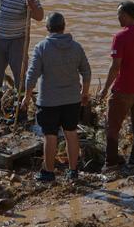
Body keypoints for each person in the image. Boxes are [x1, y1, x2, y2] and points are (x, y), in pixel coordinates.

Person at [21, 12, 92, 183]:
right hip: (72, 100)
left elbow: (31, 77)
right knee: (71, 133)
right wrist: (84, 94)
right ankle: (73, 171)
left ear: (47, 28)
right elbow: (87, 72)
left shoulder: (41, 47)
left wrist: (26, 97)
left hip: (49, 101)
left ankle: (49, 173)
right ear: (64, 27)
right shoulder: (76, 47)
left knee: (50, 136)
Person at [97, 1, 134, 168]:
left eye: (119, 14)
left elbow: (115, 66)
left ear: (126, 15)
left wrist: (104, 89)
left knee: (112, 127)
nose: (117, 18)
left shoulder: (120, 37)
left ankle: (111, 164)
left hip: (124, 89)